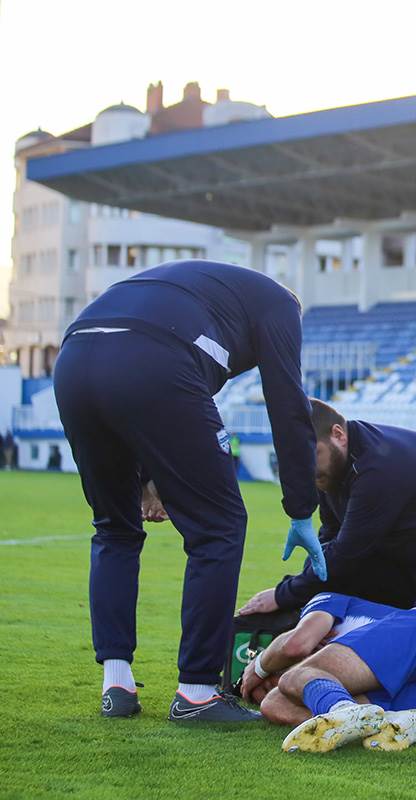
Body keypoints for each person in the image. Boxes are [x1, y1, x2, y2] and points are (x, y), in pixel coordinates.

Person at [53, 259, 325, 723]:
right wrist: (301, 508)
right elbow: (288, 405)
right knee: (219, 528)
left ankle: (115, 684)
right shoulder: (281, 306)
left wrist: (147, 479)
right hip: (154, 358)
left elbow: (154, 406)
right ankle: (198, 692)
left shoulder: (206, 289)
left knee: (115, 529)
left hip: (75, 358)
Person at [237, 399, 416, 707]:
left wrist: (284, 593)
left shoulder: (379, 465)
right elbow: (330, 541)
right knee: (340, 587)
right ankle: (322, 664)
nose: (304, 468)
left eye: (310, 454)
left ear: (338, 434)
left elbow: (346, 553)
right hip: (410, 562)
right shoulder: (331, 471)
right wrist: (306, 596)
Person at [240, 592, 416, 753]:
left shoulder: (325, 600)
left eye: (267, 682)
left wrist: (258, 667)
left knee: (295, 678)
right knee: (274, 704)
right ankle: (384, 721)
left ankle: (344, 709)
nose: (273, 684)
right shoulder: (320, 683)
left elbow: (295, 645)